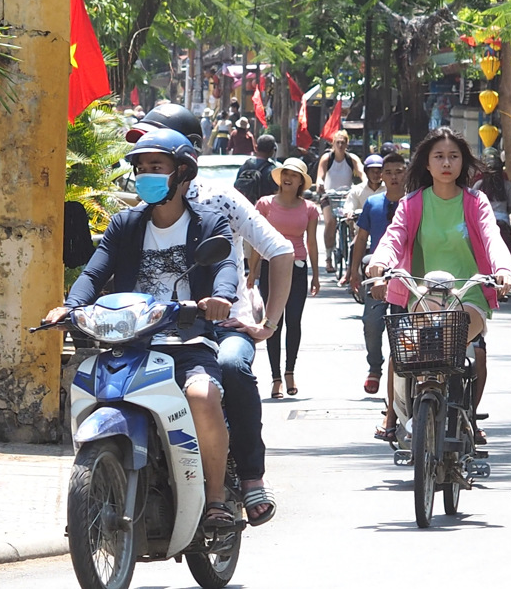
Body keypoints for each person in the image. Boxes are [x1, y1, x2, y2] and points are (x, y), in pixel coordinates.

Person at [44, 128, 238, 529]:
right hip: (130, 342)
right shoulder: (125, 225)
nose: (147, 174)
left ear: (182, 173)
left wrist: (220, 297)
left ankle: (216, 499)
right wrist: (70, 306)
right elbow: (94, 273)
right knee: (92, 388)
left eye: (157, 166)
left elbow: (225, 265)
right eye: (142, 167)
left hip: (188, 342)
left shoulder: (208, 223)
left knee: (201, 395)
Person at [125, 105, 293, 527]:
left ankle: (250, 476)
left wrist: (267, 324)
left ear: (185, 159)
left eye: (157, 156)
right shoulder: (138, 205)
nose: (147, 165)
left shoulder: (218, 198)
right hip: (157, 327)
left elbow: (280, 250)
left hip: (222, 324)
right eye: (142, 158)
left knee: (232, 366)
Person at [367, 127, 511, 443]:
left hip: (468, 294)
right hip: (423, 296)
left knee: (469, 351)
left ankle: (467, 417)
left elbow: (492, 237)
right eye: (439, 156)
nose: (446, 163)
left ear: (463, 162)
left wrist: (503, 270)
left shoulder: (476, 202)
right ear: (427, 163)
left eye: (453, 156)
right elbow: (394, 237)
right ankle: (398, 416)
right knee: (406, 355)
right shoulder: (412, 203)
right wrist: (379, 263)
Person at [250, 157, 321, 399]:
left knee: (294, 321)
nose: (289, 178)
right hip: (271, 266)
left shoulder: (309, 208)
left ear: (301, 181)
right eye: (286, 174)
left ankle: (290, 371)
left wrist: (316, 275)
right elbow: (256, 240)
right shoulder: (265, 204)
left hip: (297, 267)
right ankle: (276, 378)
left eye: (294, 175)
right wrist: (252, 271)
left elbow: (312, 243)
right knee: (272, 322)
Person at [349, 152, 406, 397]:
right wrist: (354, 271)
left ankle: (401, 371)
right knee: (372, 322)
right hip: (376, 273)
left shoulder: (415, 203)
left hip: (406, 274)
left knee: (403, 326)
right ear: (381, 175)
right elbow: (361, 238)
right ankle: (375, 367)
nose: (394, 177)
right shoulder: (372, 203)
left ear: (406, 174)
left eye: (399, 172)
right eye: (389, 172)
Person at [316, 130, 364, 274]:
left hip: (347, 196)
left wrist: (366, 183)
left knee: (352, 222)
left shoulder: (351, 158)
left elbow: (361, 172)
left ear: (347, 144)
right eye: (338, 142)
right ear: (333, 144)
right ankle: (328, 257)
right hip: (329, 196)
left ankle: (353, 256)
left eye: (343, 142)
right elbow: (320, 175)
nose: (340, 145)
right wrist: (320, 183)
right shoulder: (327, 158)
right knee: (330, 222)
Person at [338, 154, 385, 286]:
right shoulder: (357, 190)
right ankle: (350, 272)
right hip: (362, 231)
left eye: (379, 171)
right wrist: (349, 212)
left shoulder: (389, 189)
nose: (376, 175)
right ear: (366, 172)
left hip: (383, 230)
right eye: (372, 171)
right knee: (355, 245)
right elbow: (349, 206)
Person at [471, 148, 511, 258]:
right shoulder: (506, 185)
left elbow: (471, 205)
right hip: (503, 221)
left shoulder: (478, 185)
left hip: (482, 221)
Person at [233, 134, 279, 204]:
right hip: (263, 208)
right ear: (273, 151)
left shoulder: (246, 165)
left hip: (244, 206)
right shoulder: (272, 170)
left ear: (256, 148)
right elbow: (277, 194)